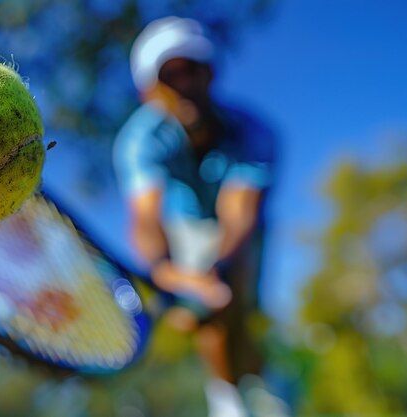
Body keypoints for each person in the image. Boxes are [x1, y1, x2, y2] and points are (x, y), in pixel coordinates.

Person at [113, 17, 283, 417]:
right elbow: (146, 218)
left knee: (237, 313)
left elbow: (239, 214)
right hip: (187, 227)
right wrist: (163, 270)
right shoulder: (138, 142)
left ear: (211, 74)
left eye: (193, 69)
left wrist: (217, 272)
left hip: (241, 234)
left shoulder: (255, 134)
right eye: (169, 76)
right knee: (213, 316)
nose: (184, 83)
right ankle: (230, 404)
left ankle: (258, 385)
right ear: (148, 92)